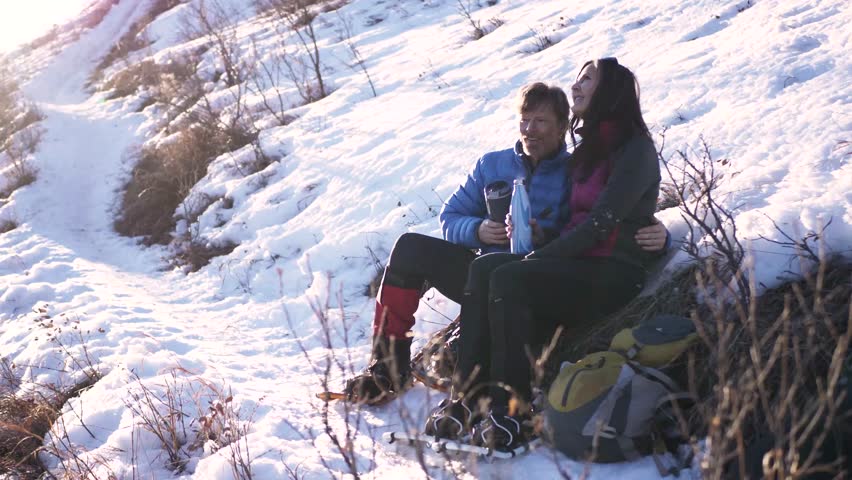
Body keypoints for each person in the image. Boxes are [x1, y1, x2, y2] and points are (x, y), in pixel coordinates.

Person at [343, 81, 669, 404]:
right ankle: (387, 369)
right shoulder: (492, 164)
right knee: (409, 248)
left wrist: (660, 233)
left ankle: (485, 388)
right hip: (481, 275)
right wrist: (478, 229)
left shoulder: (576, 171)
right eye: (524, 120)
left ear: (562, 127)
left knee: (498, 274)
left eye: (541, 121)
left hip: (541, 279)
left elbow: (607, 219)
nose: (530, 129)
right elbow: (450, 216)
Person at [423, 58, 662, 450]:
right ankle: (467, 397)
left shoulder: (634, 150)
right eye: (578, 77)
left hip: (613, 271)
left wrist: (540, 257)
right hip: (578, 264)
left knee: (507, 276)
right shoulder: (589, 151)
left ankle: (511, 410)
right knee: (485, 268)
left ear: (610, 91)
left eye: (588, 79)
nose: (577, 85)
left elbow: (603, 223)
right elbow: (573, 219)